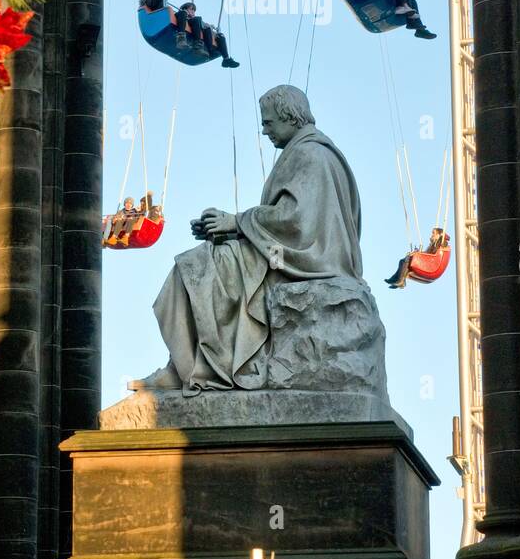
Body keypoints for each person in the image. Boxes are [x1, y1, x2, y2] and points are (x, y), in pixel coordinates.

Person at [129, 84, 366, 396]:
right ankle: (185, 363)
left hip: (303, 260)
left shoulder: (310, 154)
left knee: (198, 267)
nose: (264, 130)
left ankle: (191, 367)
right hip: (290, 253)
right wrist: (231, 229)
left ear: (290, 117)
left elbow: (297, 221)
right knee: (204, 262)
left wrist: (236, 222)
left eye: (268, 123)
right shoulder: (307, 151)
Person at [176, 0, 239, 69]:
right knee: (197, 19)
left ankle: (226, 59)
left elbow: (203, 27)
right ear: (185, 9)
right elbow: (182, 15)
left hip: (197, 28)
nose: (193, 12)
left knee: (220, 35)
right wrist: (185, 13)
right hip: (183, 26)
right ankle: (182, 39)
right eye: (191, 9)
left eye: (194, 10)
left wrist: (208, 27)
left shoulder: (196, 21)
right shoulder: (181, 14)